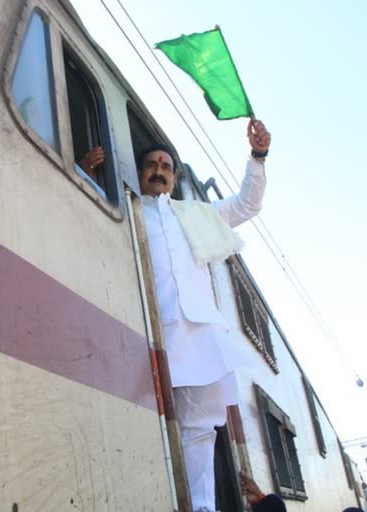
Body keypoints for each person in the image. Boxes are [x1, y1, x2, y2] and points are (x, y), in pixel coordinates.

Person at [82, 119, 271, 511]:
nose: (159, 171)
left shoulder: (196, 213)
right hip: (150, 331)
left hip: (200, 336)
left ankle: (201, 507)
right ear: (139, 172)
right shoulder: (126, 207)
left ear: (173, 178)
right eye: (152, 164)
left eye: (166, 167)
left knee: (201, 430)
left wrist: (258, 156)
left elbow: (247, 204)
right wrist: (85, 176)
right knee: (146, 422)